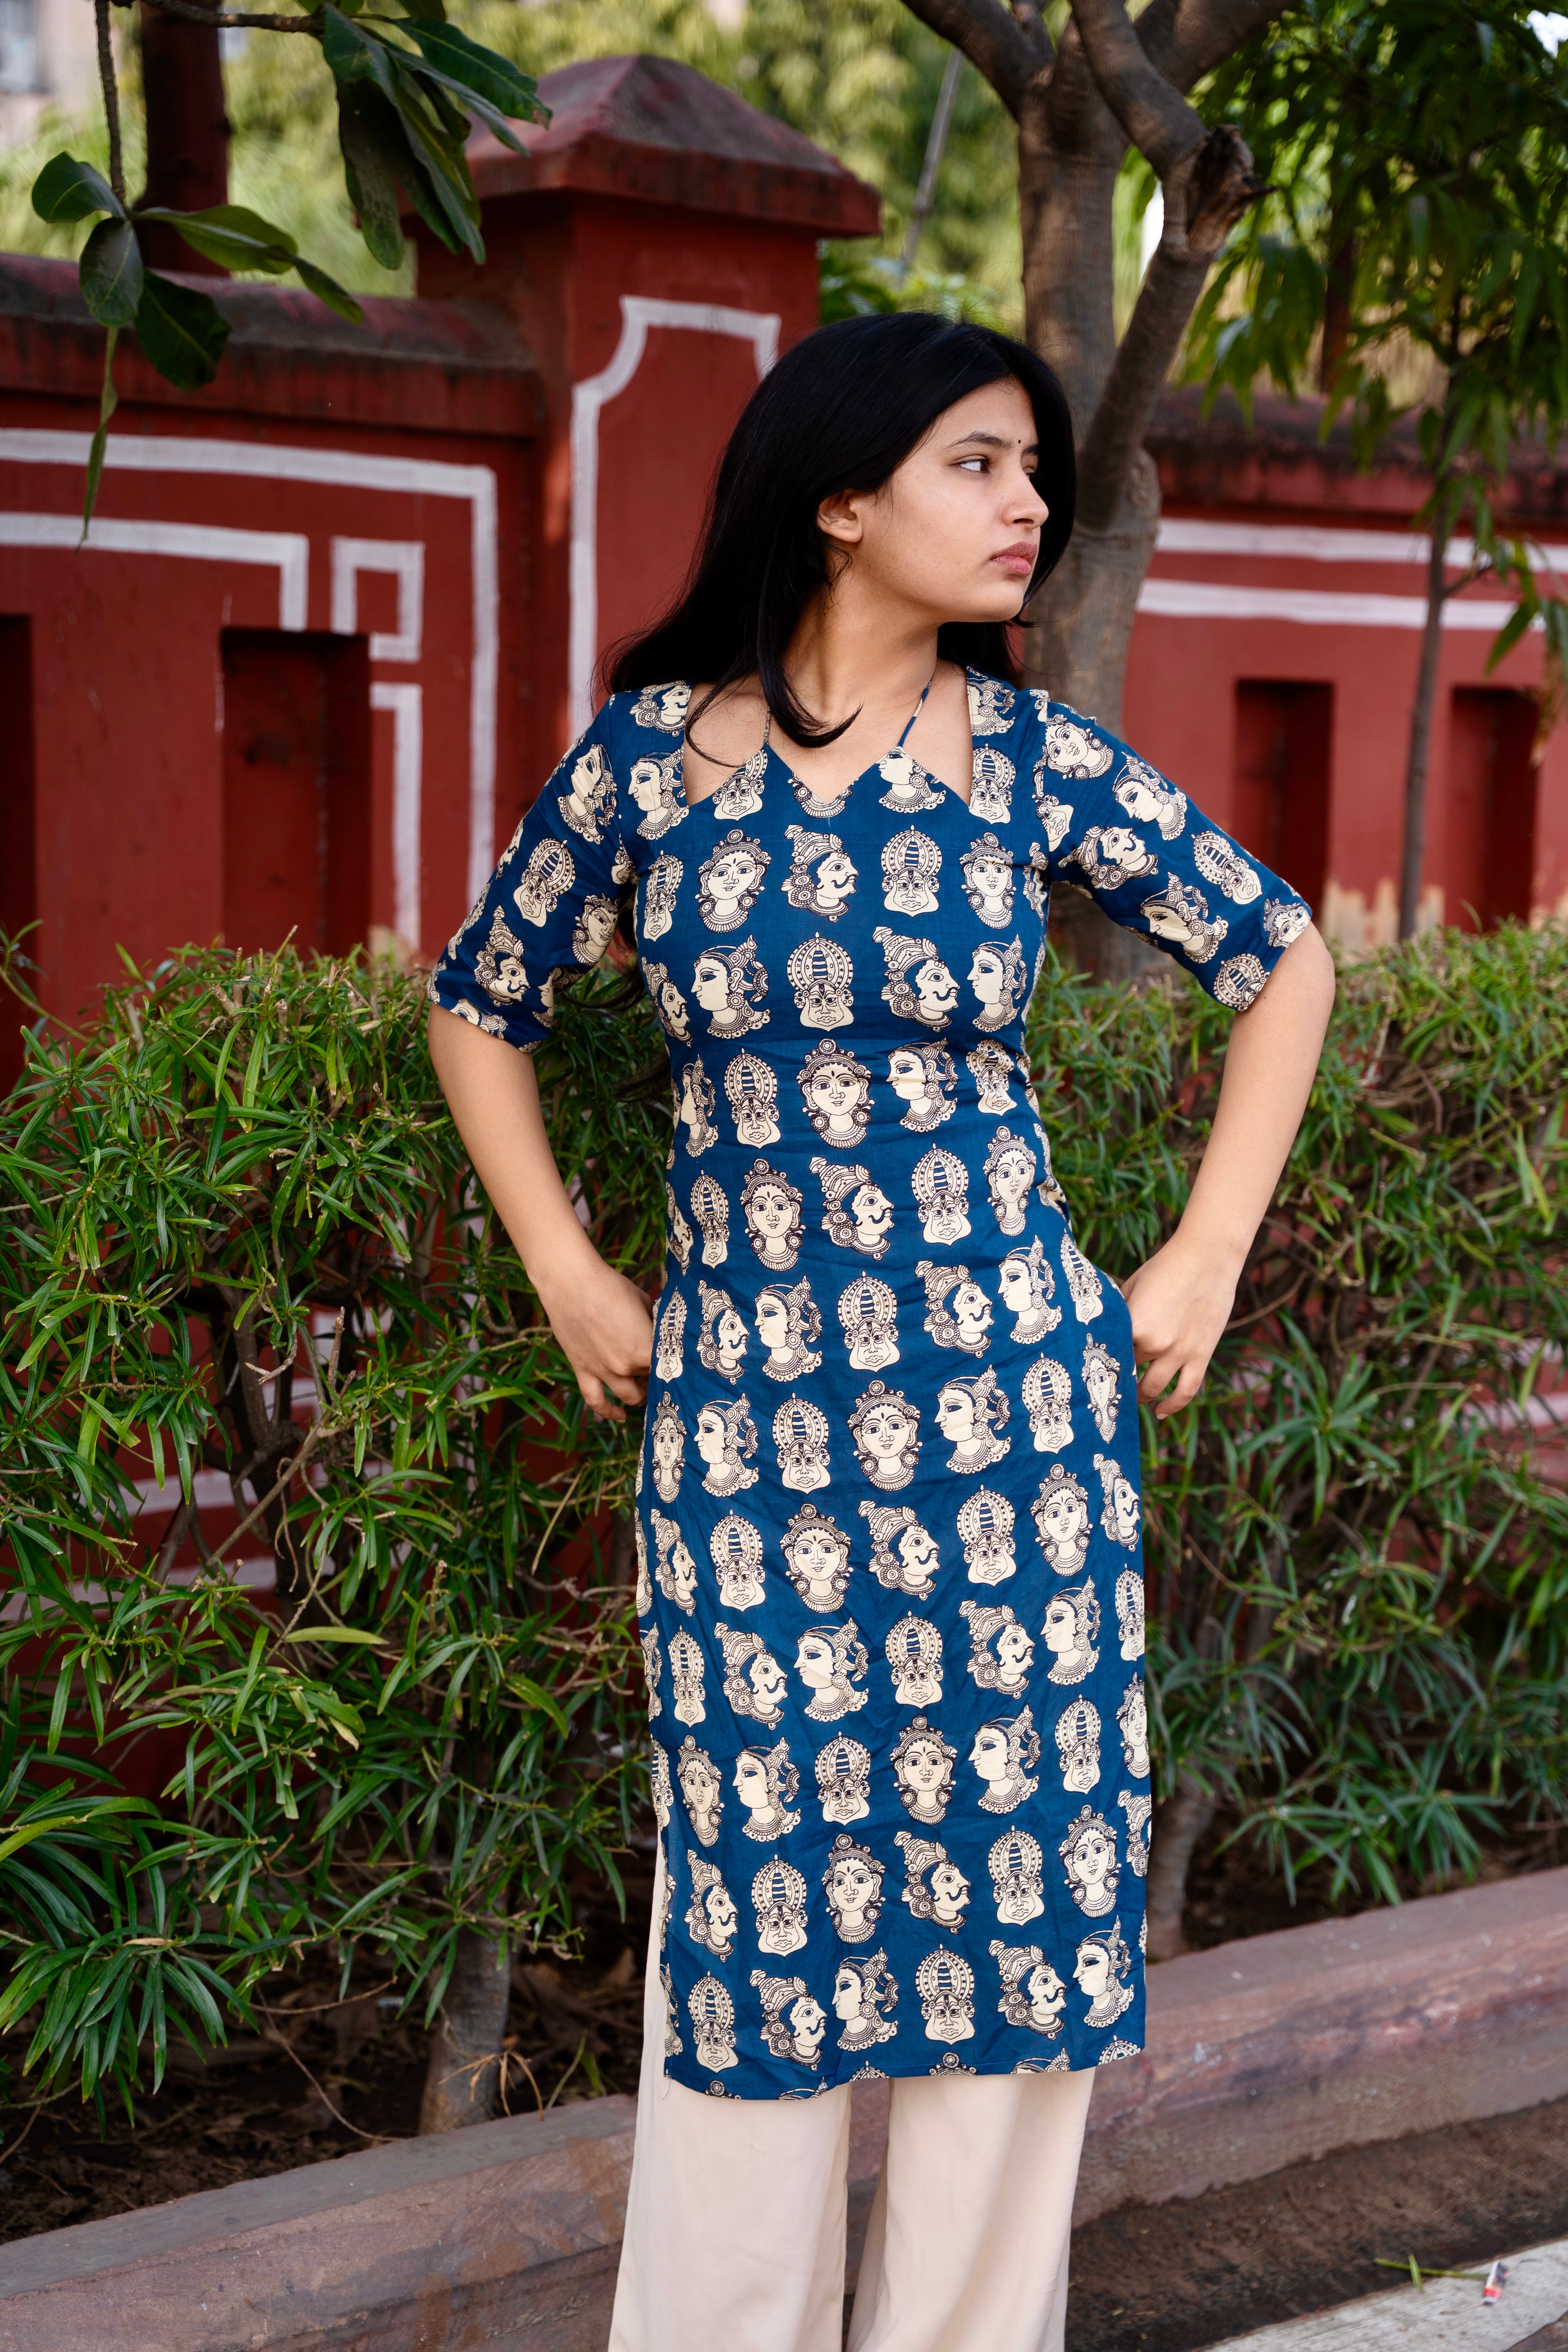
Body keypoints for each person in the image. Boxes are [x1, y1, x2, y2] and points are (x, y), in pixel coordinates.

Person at [427, 310, 1335, 2352]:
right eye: (978, 465)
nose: (1031, 507)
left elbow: (1281, 958)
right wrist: (570, 1268)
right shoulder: (654, 759)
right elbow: (482, 1001)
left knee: (1013, 1929)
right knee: (755, 1930)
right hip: (748, 1445)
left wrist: (1201, 1257)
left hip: (1014, 1430)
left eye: (1037, 471)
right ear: (840, 499)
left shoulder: (1027, 760)